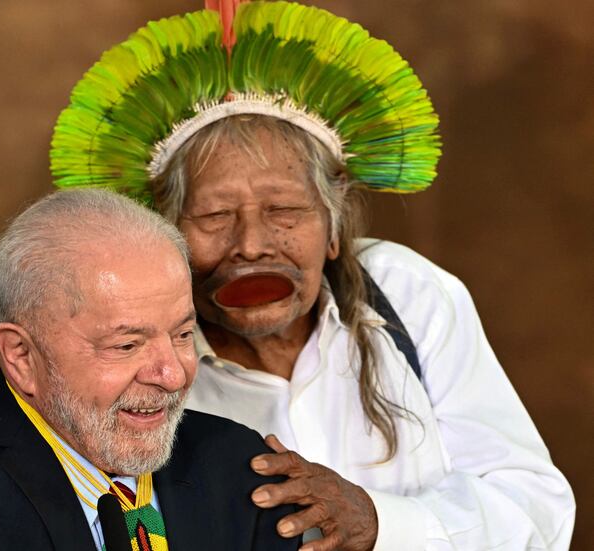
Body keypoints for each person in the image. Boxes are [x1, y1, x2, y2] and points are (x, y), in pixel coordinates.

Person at [49, 1, 576, 549]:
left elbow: (536, 511)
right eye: (214, 216)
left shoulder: (407, 293)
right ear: (165, 236)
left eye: (284, 212)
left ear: (332, 229)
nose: (251, 244)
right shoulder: (132, 366)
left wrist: (376, 521)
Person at [0, 189, 300, 550]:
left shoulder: (241, 466)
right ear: (21, 356)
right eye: (127, 344)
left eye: (182, 335)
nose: (173, 375)